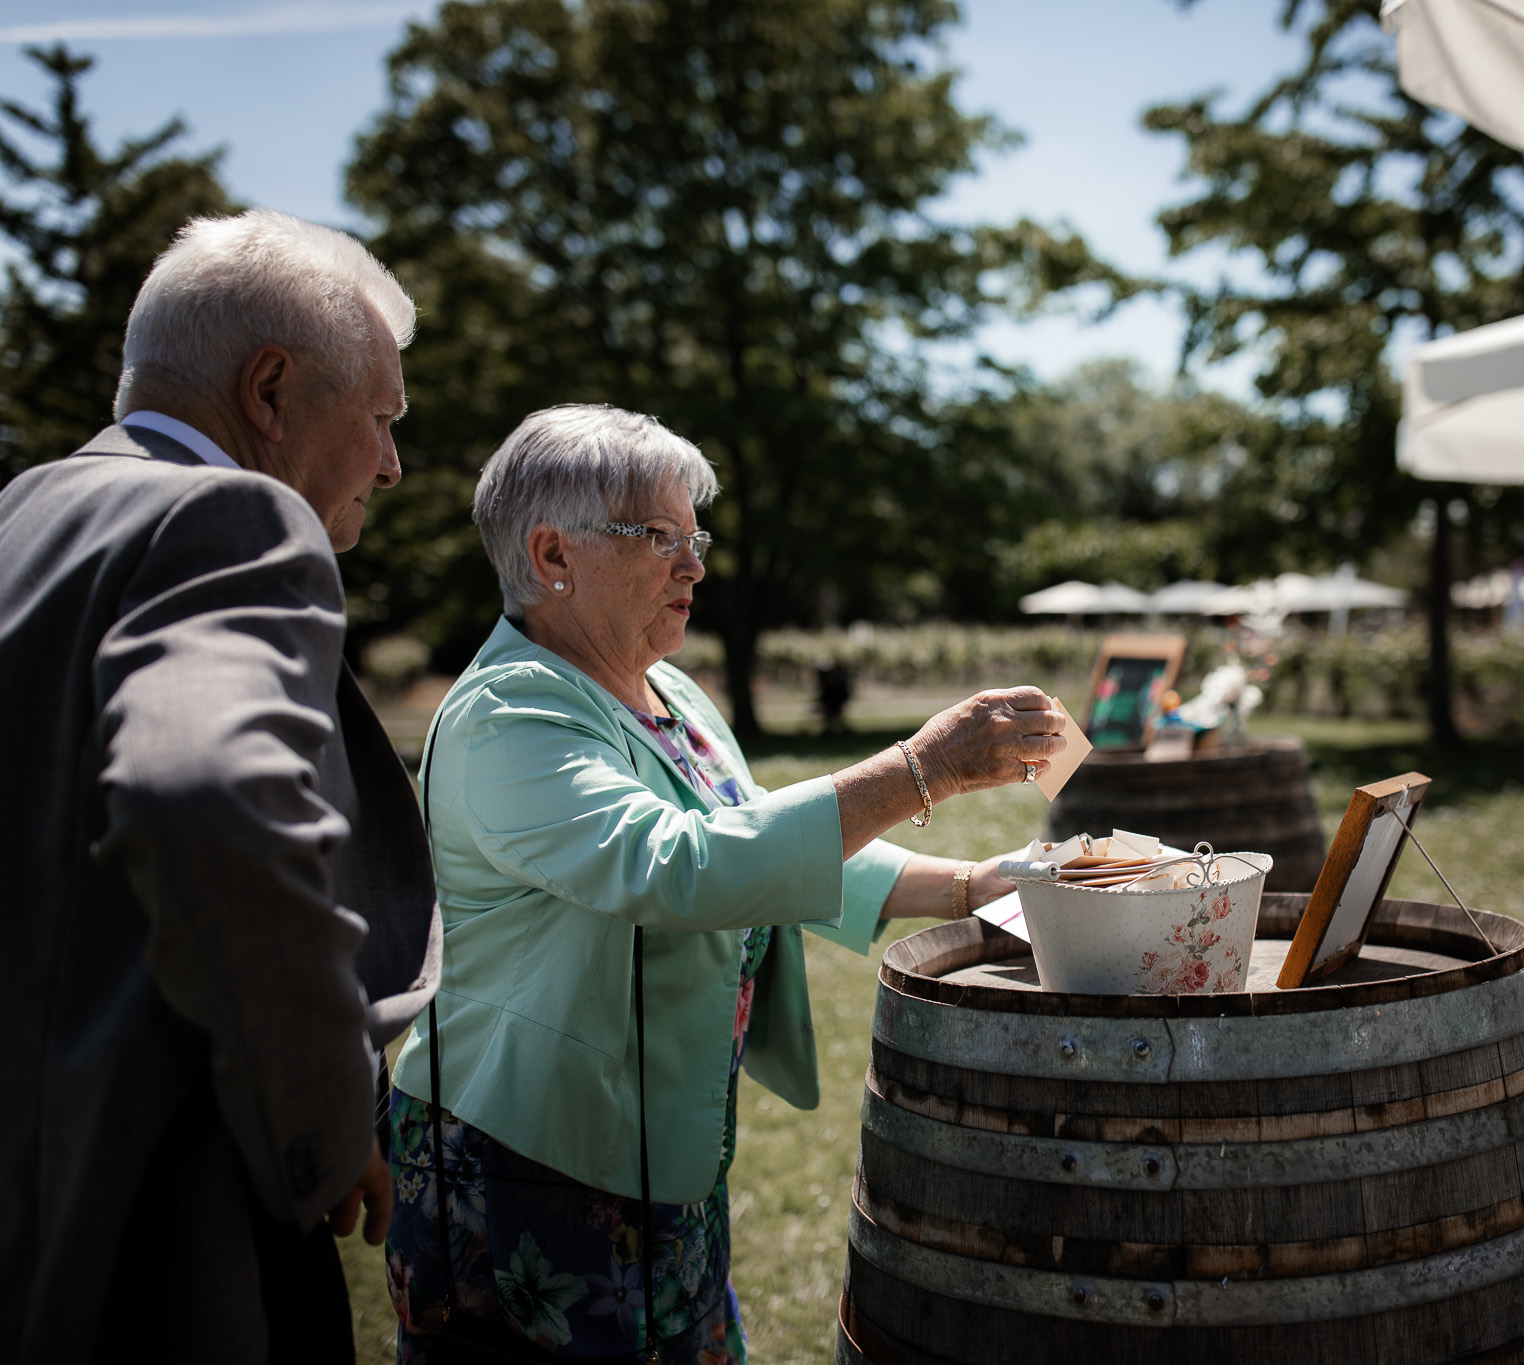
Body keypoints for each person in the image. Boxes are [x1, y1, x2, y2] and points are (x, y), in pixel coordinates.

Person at [384, 404, 1063, 1363]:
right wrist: (922, 769)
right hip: (523, 1168)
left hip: (659, 1159)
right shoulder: (510, 715)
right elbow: (679, 866)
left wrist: (973, 884)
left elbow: (749, 834)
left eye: (692, 536)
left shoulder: (672, 691)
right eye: (660, 537)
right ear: (551, 555)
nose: (695, 565)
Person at [0, 209, 442, 1364]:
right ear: (271, 389)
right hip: (153, 1243)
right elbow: (203, 792)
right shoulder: (233, 517)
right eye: (383, 418)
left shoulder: (25, 514)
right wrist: (322, 1119)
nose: (394, 464)